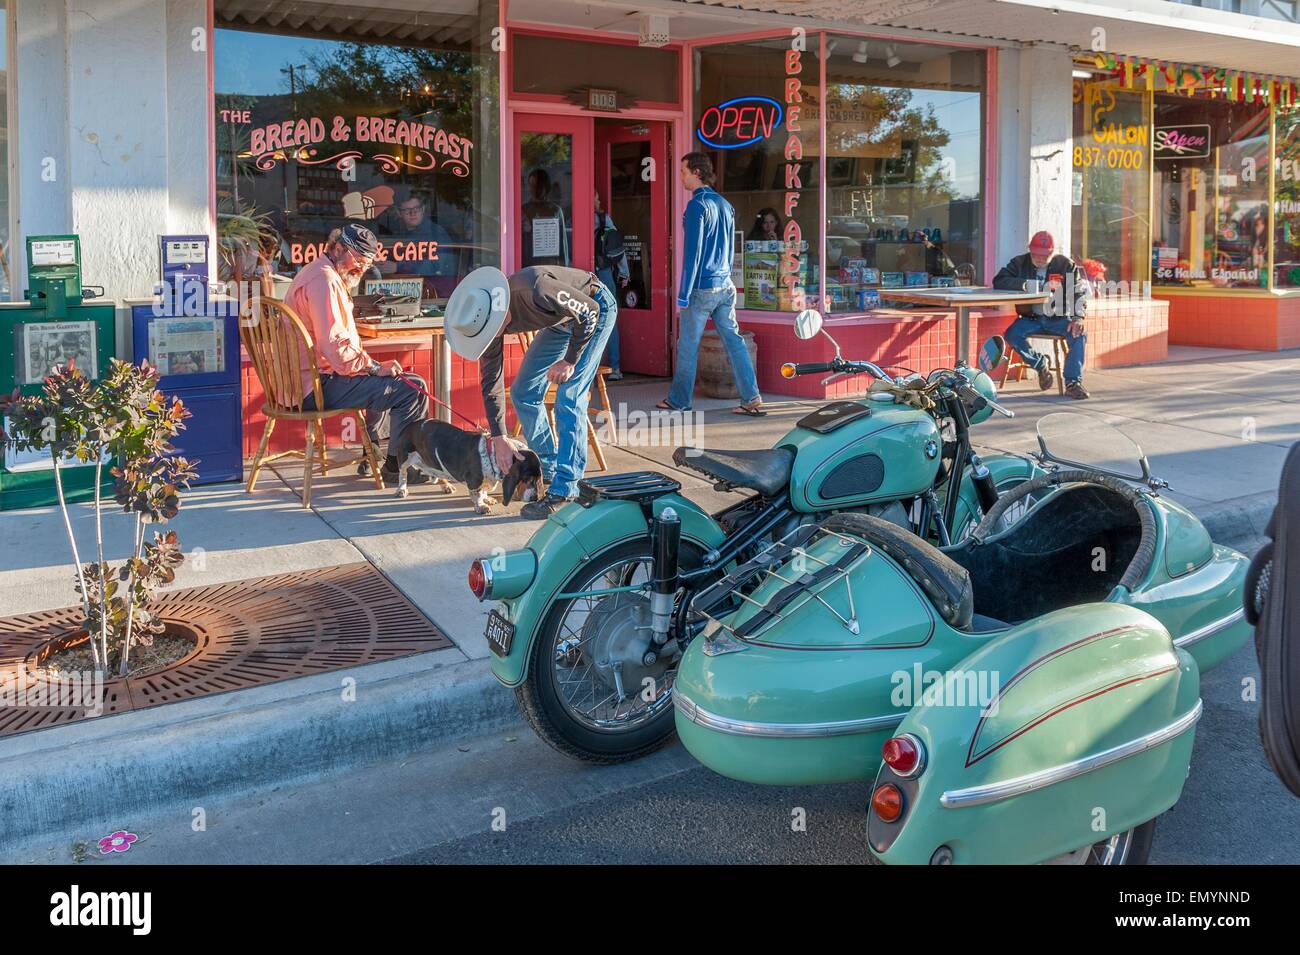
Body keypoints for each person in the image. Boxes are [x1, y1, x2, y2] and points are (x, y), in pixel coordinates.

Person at [445, 265, 617, 520]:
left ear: (499, 312)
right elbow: (491, 381)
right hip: (560, 322)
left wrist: (570, 360)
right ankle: (547, 466)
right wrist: (499, 436)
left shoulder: (536, 289)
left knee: (569, 398)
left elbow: (589, 312)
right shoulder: (487, 324)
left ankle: (566, 489)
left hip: (595, 310)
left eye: (495, 328)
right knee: (524, 392)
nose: (495, 335)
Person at [288, 223, 431, 485]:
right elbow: (335, 348)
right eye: (358, 261)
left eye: (366, 265)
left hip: (309, 380)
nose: (361, 269)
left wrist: (373, 367)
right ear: (338, 247)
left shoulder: (320, 272)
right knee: (412, 387)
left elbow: (338, 351)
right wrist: (374, 368)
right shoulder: (325, 281)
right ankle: (397, 467)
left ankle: (372, 451)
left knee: (389, 377)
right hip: (315, 386)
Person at [660, 151, 764, 417]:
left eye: (683, 172)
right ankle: (751, 396)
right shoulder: (725, 204)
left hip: (702, 286)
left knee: (688, 345)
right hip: (724, 284)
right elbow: (730, 248)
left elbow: (692, 253)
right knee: (734, 341)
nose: (681, 177)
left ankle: (679, 400)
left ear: (697, 172)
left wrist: (683, 293)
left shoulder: (697, 205)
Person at [992, 230, 1090, 400]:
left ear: (1053, 252)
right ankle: (1040, 364)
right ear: (1030, 250)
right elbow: (999, 280)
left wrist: (1077, 317)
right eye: (1036, 254)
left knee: (1079, 335)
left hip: (1058, 318)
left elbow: (1078, 292)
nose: (1040, 259)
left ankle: (1073, 382)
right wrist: (1023, 284)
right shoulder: (1019, 262)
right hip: (1031, 318)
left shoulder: (1066, 265)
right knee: (1012, 334)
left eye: (1045, 255)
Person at [594, 189, 630, 380]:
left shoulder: (572, 217)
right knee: (610, 318)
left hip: (582, 275)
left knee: (585, 320)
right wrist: (624, 272)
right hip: (605, 273)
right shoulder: (603, 219)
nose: (599, 200)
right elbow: (617, 247)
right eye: (597, 197)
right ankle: (615, 368)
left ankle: (590, 369)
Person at [384, 188, 458, 280]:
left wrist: (398, 267)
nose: (413, 213)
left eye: (416, 209)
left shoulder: (436, 232)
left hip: (438, 289)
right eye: (407, 210)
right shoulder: (401, 235)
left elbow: (435, 266)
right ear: (399, 213)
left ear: (423, 209)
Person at [521, 168, 570, 267]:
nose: (535, 189)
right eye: (532, 185)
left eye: (538, 186)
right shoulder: (524, 210)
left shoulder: (555, 211)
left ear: (546, 187)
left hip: (551, 266)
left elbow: (562, 242)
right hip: (527, 265)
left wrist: (564, 267)